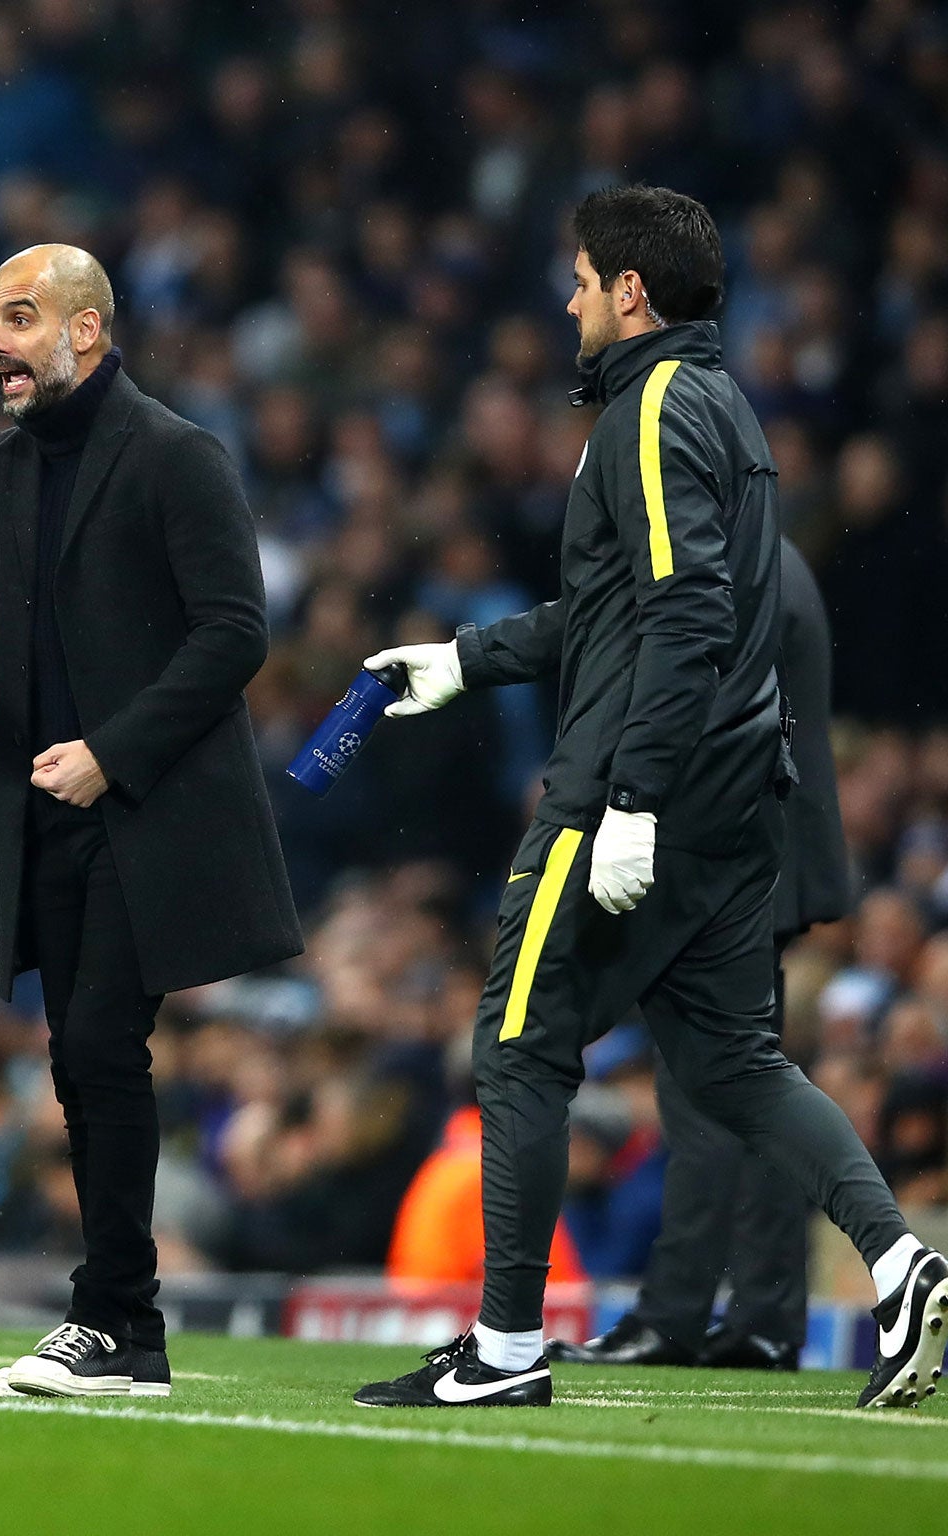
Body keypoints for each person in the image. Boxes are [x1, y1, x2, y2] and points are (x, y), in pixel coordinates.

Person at [356, 186, 947, 1411]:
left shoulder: (649, 407)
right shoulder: (720, 407)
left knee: (518, 1050)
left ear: (629, 293)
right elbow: (624, 606)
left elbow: (684, 613)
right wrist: (467, 659)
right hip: (736, 803)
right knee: (733, 1064)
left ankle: (504, 1350)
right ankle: (897, 1264)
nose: (566, 299)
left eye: (578, 280)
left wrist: (627, 799)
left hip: (633, 795)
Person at [0, 244, 301, 1398]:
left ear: (84, 332)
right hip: (44, 810)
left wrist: (115, 750)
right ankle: (121, 1332)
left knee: (99, 1049)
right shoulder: (7, 469)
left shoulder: (175, 455)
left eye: (17, 317)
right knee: (80, 1057)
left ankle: (111, 1321)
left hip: (143, 813)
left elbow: (234, 633)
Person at [548, 537, 848, 1371]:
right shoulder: (778, 556)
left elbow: (693, 710)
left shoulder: (729, 566)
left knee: (709, 1095)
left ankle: (680, 1316)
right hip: (766, 851)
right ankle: (758, 1317)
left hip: (729, 856)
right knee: (744, 1092)